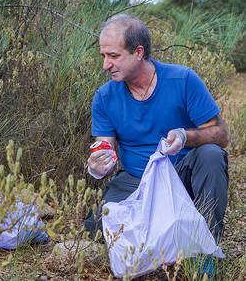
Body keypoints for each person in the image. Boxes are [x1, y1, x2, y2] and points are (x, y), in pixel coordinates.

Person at [84, 14, 229, 276]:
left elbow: (221, 135)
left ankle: (205, 250)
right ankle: (161, 245)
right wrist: (98, 165)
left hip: (182, 178)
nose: (106, 65)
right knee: (95, 227)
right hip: (136, 180)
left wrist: (186, 136)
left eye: (113, 56)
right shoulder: (105, 97)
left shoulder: (183, 80)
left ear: (138, 52)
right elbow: (103, 147)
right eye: (103, 56)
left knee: (211, 154)